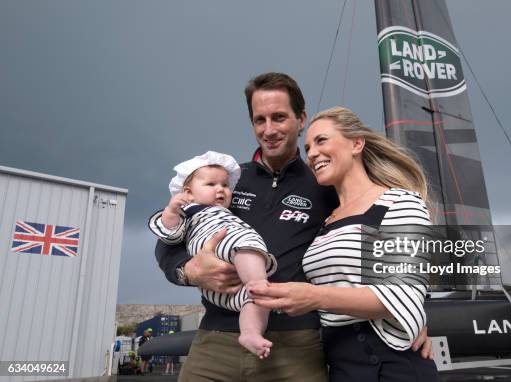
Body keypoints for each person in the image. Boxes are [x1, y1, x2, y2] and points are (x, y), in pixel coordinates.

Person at [155, 72, 433, 381]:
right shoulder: (225, 182)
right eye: (260, 120)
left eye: (279, 117)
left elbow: (401, 254)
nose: (269, 129)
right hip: (217, 339)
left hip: (296, 347)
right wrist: (189, 271)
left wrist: (414, 313)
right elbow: (169, 236)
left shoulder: (326, 185)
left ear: (301, 119)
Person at [251, 106, 439, 381]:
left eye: (321, 141)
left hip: (389, 362)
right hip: (337, 363)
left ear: (357, 143)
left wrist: (314, 298)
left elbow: (402, 294)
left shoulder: (398, 203)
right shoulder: (326, 221)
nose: (312, 153)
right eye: (307, 147)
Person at [149, 151, 277, 358]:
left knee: (255, 300)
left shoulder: (226, 210)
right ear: (188, 192)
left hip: (231, 281)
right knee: (247, 248)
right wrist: (172, 210)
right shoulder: (189, 211)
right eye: (211, 185)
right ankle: (258, 281)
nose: (221, 190)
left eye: (225, 186)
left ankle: (250, 332)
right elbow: (168, 237)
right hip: (217, 246)